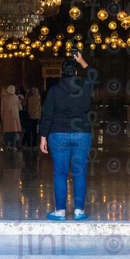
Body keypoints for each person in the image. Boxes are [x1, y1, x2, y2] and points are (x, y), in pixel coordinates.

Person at [40, 51, 98, 221]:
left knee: (60, 174)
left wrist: (43, 137)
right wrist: (82, 60)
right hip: (81, 134)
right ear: (75, 72)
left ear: (60, 73)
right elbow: (95, 76)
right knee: (79, 173)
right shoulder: (85, 86)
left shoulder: (54, 91)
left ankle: (60, 211)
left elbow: (47, 115)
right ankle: (79, 211)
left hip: (58, 135)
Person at [0, 85, 22, 149]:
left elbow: (2, 109)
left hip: (6, 116)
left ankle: (6, 145)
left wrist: (2, 117)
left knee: (6, 132)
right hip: (15, 117)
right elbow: (20, 107)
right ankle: (13, 145)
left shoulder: (4, 97)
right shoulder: (16, 97)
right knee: (14, 132)